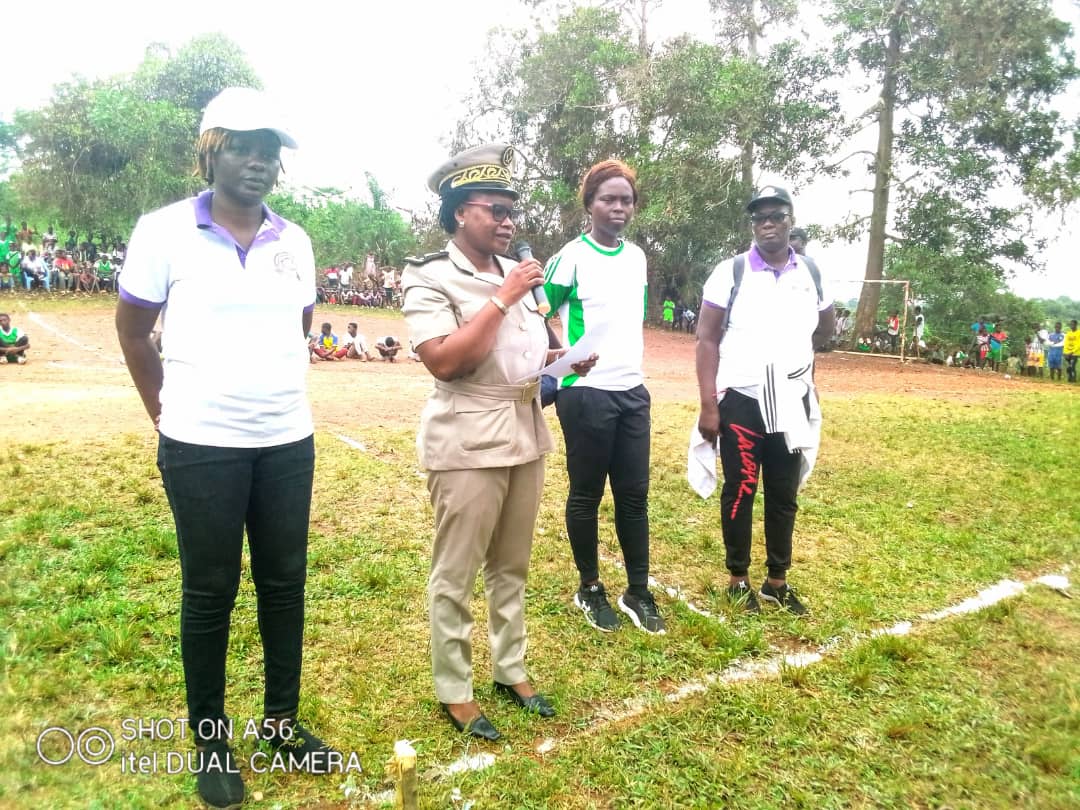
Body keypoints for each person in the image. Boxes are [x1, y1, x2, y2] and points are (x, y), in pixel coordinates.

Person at [114, 87, 337, 809]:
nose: (258, 161)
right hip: (200, 442)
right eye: (243, 145)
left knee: (284, 583)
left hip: (285, 439)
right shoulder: (163, 231)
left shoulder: (295, 241)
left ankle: (280, 723)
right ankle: (212, 741)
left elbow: (297, 326)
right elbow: (131, 330)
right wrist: (167, 414)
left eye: (269, 150)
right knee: (210, 591)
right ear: (213, 148)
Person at [403, 143, 595, 741]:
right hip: (466, 438)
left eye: (513, 210)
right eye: (495, 209)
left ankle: (510, 668)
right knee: (456, 571)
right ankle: (453, 687)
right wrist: (504, 296)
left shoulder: (514, 276)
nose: (509, 220)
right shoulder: (432, 274)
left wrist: (565, 360)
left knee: (511, 566)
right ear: (461, 211)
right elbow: (446, 362)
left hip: (524, 429)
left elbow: (524, 354)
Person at [694, 185, 833, 616]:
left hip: (791, 399)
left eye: (775, 216)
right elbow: (706, 339)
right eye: (759, 218)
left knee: (783, 491)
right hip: (742, 399)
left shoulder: (808, 272)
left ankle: (777, 580)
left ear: (791, 220)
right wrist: (709, 404)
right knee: (741, 487)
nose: (767, 224)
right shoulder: (731, 271)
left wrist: (795, 363)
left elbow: (825, 330)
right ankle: (738, 579)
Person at [543, 159, 666, 635]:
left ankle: (637, 590)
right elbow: (539, 310)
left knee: (634, 495)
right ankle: (589, 587)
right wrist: (557, 355)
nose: (618, 207)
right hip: (585, 393)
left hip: (632, 390)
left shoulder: (636, 257)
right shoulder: (571, 256)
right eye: (608, 199)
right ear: (590, 204)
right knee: (587, 493)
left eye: (626, 200)